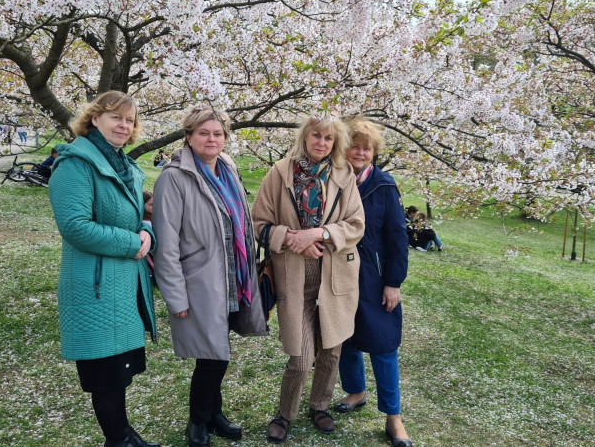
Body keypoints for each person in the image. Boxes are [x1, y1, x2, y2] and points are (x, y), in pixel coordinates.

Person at [48, 91, 158, 447]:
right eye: (116, 117)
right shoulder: (75, 164)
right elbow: (75, 226)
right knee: (105, 373)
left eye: (129, 119)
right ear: (94, 118)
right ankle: (118, 438)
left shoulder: (125, 166)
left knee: (118, 371)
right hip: (95, 286)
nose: (124, 125)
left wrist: (147, 232)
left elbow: (135, 217)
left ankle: (123, 435)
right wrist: (132, 242)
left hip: (122, 285)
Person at [152, 107, 267, 447]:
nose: (211, 139)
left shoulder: (227, 168)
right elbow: (167, 243)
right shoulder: (174, 178)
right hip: (200, 280)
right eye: (203, 133)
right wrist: (175, 296)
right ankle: (199, 420)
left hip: (233, 276)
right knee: (212, 355)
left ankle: (214, 413)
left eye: (218, 133)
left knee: (218, 350)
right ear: (188, 137)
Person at [252, 115, 365, 444]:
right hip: (293, 276)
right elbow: (258, 224)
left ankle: (320, 406)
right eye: (316, 135)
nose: (322, 143)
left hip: (334, 276)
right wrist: (292, 239)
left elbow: (356, 225)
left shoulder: (344, 175)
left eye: (329, 138)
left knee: (331, 351)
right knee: (301, 359)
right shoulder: (280, 173)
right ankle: (284, 414)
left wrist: (319, 233)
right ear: (305, 136)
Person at [335, 117, 413, 447]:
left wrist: (393, 282)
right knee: (344, 338)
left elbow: (398, 237)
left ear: (374, 152)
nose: (359, 152)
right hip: (338, 272)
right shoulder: (333, 180)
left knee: (384, 345)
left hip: (375, 276)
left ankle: (394, 417)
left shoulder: (384, 186)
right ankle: (356, 391)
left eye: (366, 148)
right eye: (354, 146)